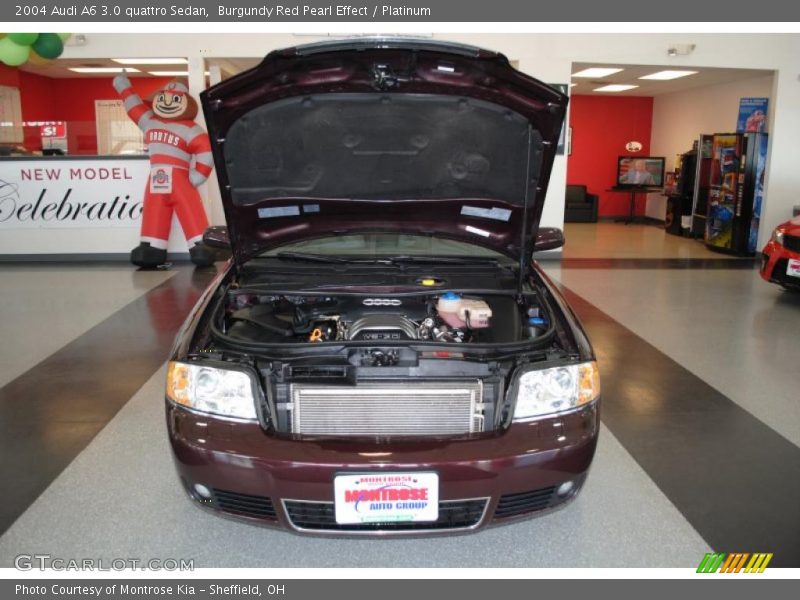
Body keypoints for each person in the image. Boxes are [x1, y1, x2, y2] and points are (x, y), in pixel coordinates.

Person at [113, 73, 215, 268]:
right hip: (157, 177)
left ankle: (202, 245)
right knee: (154, 210)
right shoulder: (150, 121)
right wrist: (122, 85)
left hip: (180, 178)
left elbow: (206, 149)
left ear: (186, 102)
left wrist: (198, 175)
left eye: (174, 99)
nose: (168, 103)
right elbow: (133, 107)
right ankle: (152, 247)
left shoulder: (191, 129)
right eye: (163, 98)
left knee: (190, 209)